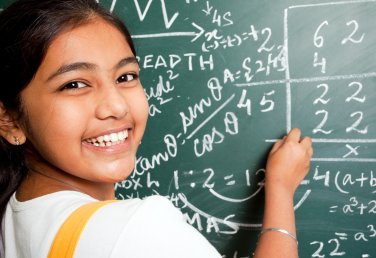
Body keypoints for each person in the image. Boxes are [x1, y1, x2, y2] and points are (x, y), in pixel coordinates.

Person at [0, 0, 313, 257]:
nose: (117, 107)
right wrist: (281, 189)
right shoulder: (133, 233)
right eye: (75, 84)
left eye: (126, 77)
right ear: (9, 119)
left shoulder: (17, 209)